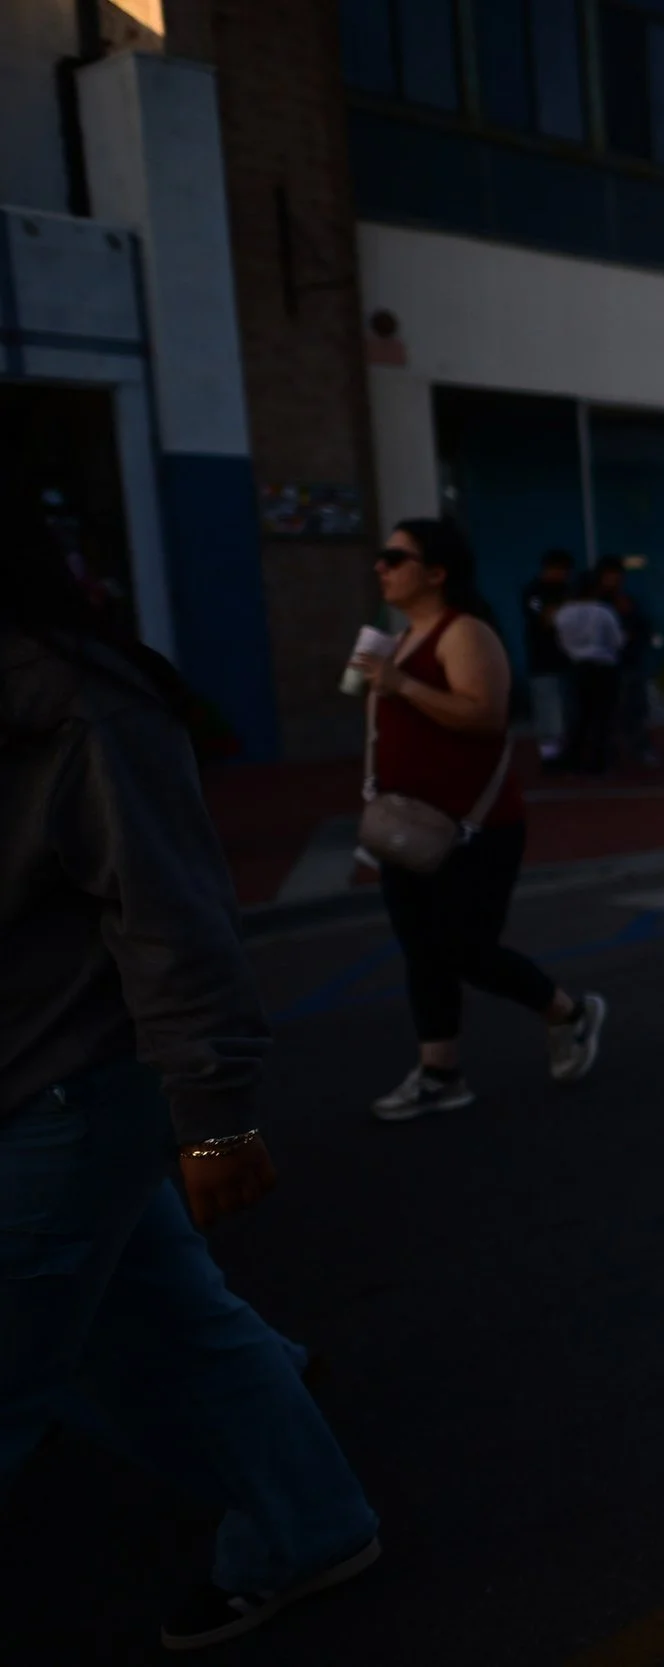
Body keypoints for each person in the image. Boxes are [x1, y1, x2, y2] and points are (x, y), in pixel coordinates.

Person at [1, 475, 381, 1648]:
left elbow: (171, 914)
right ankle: (306, 1519)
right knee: (162, 1325)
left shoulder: (79, 701)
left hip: (61, 1090)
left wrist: (213, 1110)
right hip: (44, 1089)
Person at [351, 520, 608, 1122]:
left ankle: (570, 1014)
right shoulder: (404, 637)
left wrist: (399, 684)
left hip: (473, 828)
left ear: (436, 572)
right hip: (406, 829)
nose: (380, 568)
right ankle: (440, 1072)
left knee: (465, 948)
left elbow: (484, 717)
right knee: (422, 951)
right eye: (381, 558)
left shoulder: (464, 633)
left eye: (395, 558)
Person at [552, 571, 625, 775]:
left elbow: (560, 640)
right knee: (603, 716)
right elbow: (617, 641)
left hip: (578, 666)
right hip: (603, 667)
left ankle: (574, 757)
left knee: (580, 715)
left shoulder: (563, 613)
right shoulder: (603, 612)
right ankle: (598, 761)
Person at [595, 557, 656, 766]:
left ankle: (639, 748)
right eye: (610, 576)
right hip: (604, 666)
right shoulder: (596, 604)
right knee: (608, 712)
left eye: (618, 576)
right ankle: (608, 752)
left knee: (635, 709)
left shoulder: (627, 603)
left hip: (629, 663)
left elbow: (642, 627)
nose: (615, 581)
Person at [519, 548, 574, 761]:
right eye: (559, 570)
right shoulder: (534, 591)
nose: (562, 576)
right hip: (542, 659)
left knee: (568, 707)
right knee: (547, 707)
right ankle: (550, 753)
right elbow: (543, 618)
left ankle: (566, 750)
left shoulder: (569, 590)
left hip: (568, 659)